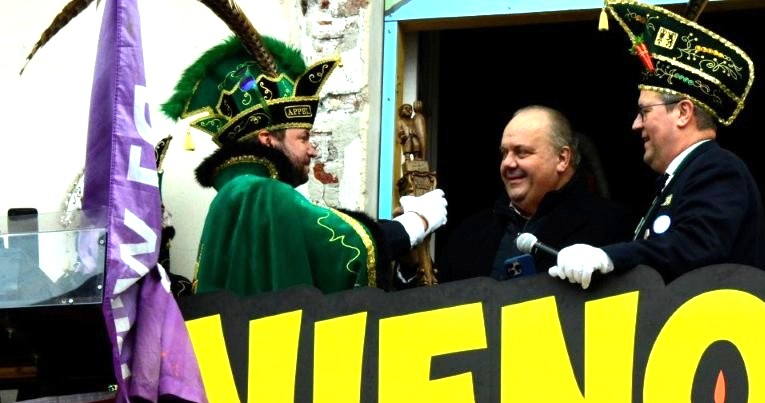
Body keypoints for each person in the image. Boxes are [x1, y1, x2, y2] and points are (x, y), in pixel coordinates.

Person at [162, 35, 446, 296]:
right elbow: (338, 247)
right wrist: (414, 223)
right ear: (267, 139)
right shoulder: (260, 193)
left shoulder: (234, 196)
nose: (313, 149)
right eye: (303, 138)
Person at [549, 1, 765, 289]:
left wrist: (610, 257)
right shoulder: (681, 178)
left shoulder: (718, 167)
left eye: (644, 112)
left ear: (683, 112)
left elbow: (696, 246)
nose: (635, 124)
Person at [436, 106, 632, 282]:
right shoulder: (469, 233)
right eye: (504, 153)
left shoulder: (610, 225)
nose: (507, 163)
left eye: (521, 152)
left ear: (562, 158)